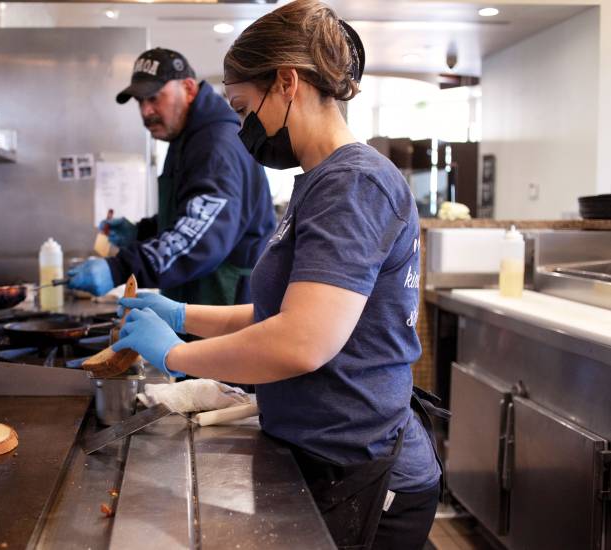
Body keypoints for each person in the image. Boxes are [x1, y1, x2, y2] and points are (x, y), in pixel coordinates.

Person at [109, 2, 442, 548]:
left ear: (288, 82)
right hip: (323, 450)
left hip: (362, 467)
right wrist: (182, 315)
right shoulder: (319, 180)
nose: (244, 127)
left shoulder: (354, 185)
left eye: (244, 108)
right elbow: (286, 312)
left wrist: (176, 354)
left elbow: (301, 341)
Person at [66, 48, 276, 306]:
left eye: (154, 98)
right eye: (140, 102)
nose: (145, 111)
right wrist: (140, 231)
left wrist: (118, 269)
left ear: (188, 88)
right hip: (200, 298)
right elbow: (191, 214)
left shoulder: (215, 144)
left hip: (225, 303)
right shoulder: (186, 139)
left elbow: (200, 238)